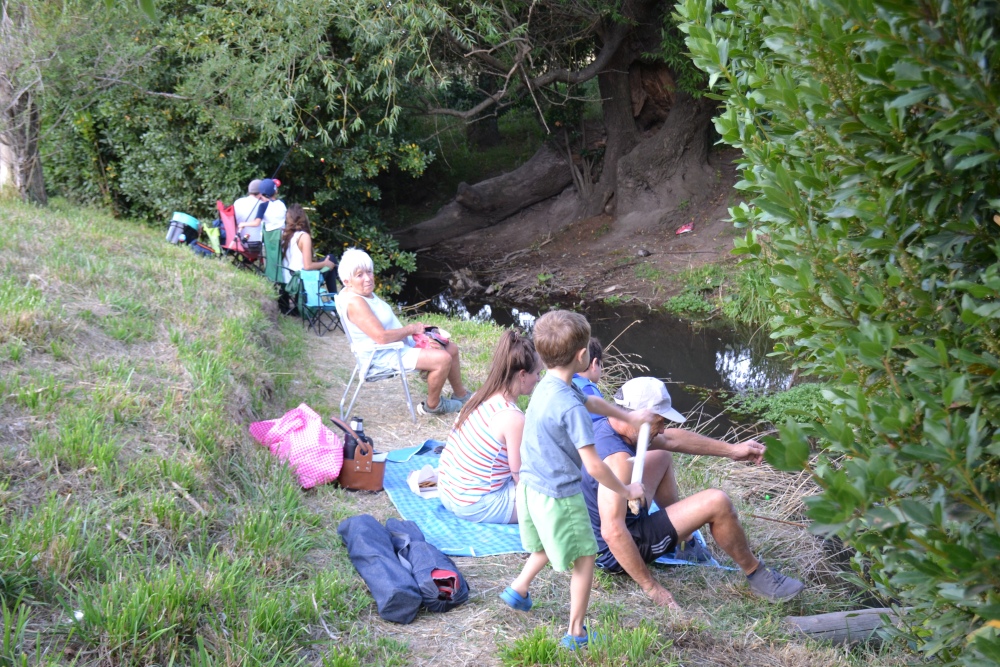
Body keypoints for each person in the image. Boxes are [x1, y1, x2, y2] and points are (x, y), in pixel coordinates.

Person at [580, 376, 806, 609]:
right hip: (615, 554)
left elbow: (672, 440)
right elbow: (613, 531)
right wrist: (652, 588)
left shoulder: (607, 425)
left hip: (613, 519)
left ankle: (683, 541)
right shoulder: (618, 461)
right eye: (659, 421)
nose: (663, 428)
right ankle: (757, 574)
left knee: (661, 454)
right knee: (717, 501)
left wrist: (732, 450)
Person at [500, 310, 652, 651]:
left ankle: (518, 589)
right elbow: (594, 466)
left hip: (529, 487)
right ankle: (576, 632)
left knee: (544, 543)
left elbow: (592, 400)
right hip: (559, 495)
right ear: (583, 356)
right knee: (585, 558)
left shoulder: (547, 385)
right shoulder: (570, 407)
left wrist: (626, 415)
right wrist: (627, 489)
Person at [337, 248, 470, 415]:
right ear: (346, 281)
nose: (368, 278)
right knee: (442, 359)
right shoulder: (356, 303)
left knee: (451, 348)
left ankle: (461, 396)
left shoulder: (360, 293)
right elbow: (382, 337)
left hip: (398, 346)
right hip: (383, 355)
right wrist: (411, 329)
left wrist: (420, 334)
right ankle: (433, 406)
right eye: (359, 275)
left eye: (369, 272)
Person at [438, 330, 542, 524]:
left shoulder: (480, 396)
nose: (538, 379)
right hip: (474, 505)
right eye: (537, 373)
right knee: (552, 497)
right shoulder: (513, 418)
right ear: (522, 375)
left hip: (447, 491)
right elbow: (521, 477)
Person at [281, 204, 337, 292]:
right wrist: (325, 264)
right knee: (332, 258)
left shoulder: (285, 235)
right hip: (300, 282)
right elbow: (307, 266)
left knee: (329, 261)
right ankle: (335, 298)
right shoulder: (303, 236)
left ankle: (335, 297)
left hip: (287, 280)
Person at [238, 178, 285, 243]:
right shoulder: (282, 203)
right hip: (281, 238)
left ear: (261, 194)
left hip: (268, 240)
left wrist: (243, 224)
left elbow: (256, 223)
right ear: (276, 191)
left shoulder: (263, 206)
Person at [571, 337, 604, 421]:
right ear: (594, 363)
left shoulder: (565, 381)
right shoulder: (590, 391)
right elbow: (599, 429)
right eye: (600, 365)